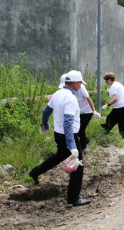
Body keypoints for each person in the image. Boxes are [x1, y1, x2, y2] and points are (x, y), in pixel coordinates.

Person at [28, 70, 90, 207]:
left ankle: (34, 172)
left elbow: (46, 111)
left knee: (59, 155)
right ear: (74, 84)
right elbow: (68, 123)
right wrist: (73, 146)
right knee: (78, 167)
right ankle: (73, 199)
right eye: (80, 83)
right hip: (69, 136)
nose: (81, 86)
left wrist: (44, 124)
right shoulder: (71, 99)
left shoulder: (57, 94)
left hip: (58, 134)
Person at [58, 73, 101, 149]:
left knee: (80, 129)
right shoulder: (66, 91)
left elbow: (89, 99)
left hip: (87, 112)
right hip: (77, 112)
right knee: (76, 130)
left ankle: (82, 146)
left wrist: (94, 111)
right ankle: (83, 142)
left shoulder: (81, 88)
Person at [100, 72, 124, 139]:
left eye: (106, 80)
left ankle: (106, 130)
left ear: (109, 79)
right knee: (121, 122)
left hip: (120, 106)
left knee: (111, 119)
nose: (106, 82)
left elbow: (115, 98)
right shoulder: (118, 84)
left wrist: (107, 105)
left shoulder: (113, 87)